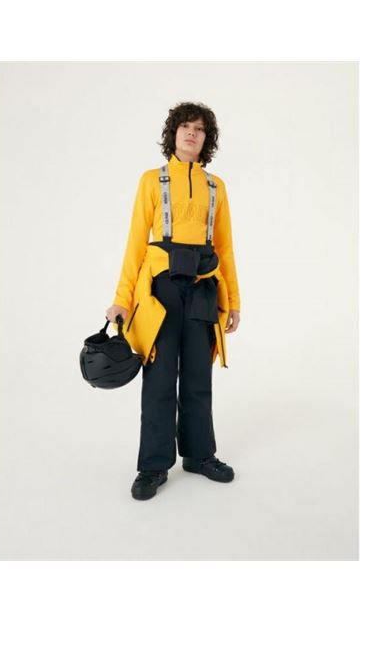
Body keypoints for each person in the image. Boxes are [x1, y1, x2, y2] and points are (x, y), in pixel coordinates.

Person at [105, 101, 241, 500]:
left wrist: (233, 301)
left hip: (202, 289)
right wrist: (122, 300)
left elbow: (225, 247)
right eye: (185, 126)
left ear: (206, 140)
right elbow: (135, 242)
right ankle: (152, 466)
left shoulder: (216, 187)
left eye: (199, 129)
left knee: (199, 377)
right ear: (174, 133)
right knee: (159, 379)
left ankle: (199, 455)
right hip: (160, 291)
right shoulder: (152, 181)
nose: (192, 133)